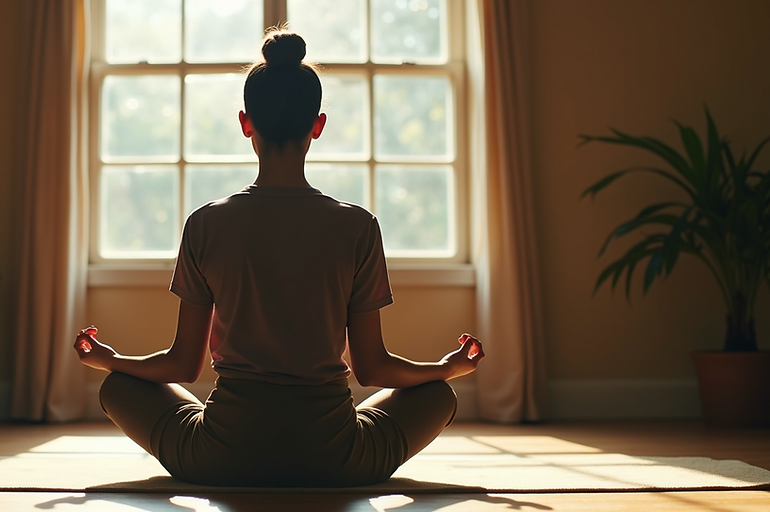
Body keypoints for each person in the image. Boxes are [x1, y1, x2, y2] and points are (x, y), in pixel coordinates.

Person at [73, 29, 484, 487]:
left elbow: (181, 365)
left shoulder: (207, 223)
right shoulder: (357, 226)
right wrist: (447, 368)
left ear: (246, 123)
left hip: (219, 455)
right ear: (318, 125)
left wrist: (111, 360)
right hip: (338, 458)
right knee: (438, 396)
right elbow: (373, 370)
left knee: (119, 386)